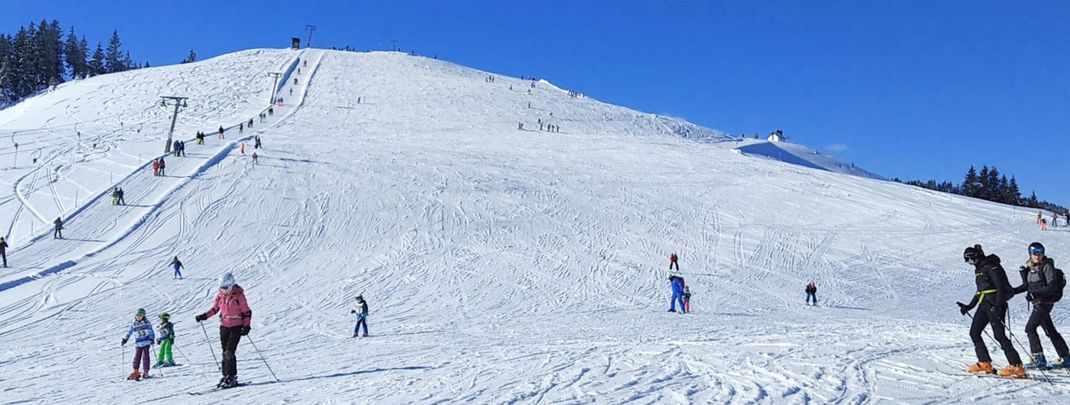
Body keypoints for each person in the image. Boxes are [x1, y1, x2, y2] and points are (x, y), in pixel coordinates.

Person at [957, 244, 1025, 378]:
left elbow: (999, 285)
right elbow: (981, 290)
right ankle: (984, 362)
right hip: (984, 304)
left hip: (995, 303)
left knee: (999, 335)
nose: (969, 263)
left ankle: (1016, 366)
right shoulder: (979, 269)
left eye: (970, 259)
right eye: (967, 261)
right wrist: (969, 306)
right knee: (974, 332)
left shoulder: (991, 265)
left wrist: (998, 304)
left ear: (975, 256)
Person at [1014, 242, 1069, 369]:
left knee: (1030, 328)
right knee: (1050, 330)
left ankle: (1038, 358)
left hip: (1045, 302)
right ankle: (1066, 357)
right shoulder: (1032, 268)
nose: (1038, 255)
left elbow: (1052, 286)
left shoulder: (1047, 266)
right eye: (1035, 253)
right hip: (1039, 302)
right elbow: (1027, 286)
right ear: (1030, 254)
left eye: (1040, 252)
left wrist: (1035, 295)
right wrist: (1011, 292)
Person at [195, 272, 252, 389]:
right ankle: (225, 375)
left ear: (231, 285)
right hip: (224, 326)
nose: (224, 290)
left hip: (236, 326)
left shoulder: (239, 296)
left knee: (229, 352)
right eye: (221, 287)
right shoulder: (221, 294)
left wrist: (246, 326)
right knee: (224, 352)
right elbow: (215, 309)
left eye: (225, 287)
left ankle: (232, 376)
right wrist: (204, 316)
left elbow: (247, 312)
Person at [122, 308, 155, 380]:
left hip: (146, 342)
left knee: (145, 357)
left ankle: (146, 372)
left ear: (143, 316)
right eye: (137, 315)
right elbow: (129, 332)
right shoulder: (134, 324)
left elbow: (151, 332)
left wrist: (152, 339)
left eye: (140, 315)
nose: (138, 317)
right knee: (136, 358)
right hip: (138, 343)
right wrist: (125, 339)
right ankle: (135, 372)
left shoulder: (147, 323)